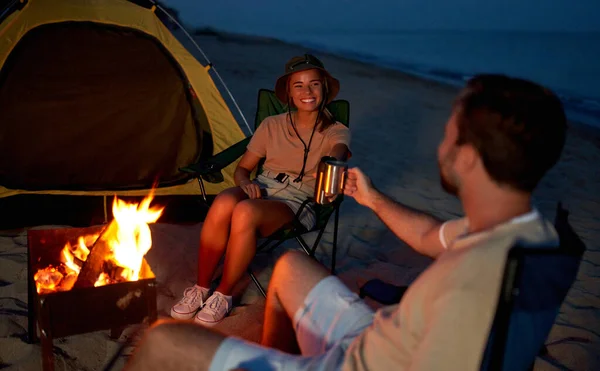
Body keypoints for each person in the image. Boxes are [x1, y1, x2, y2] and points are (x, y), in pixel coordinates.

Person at [125, 74, 567, 371]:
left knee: (164, 341)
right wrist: (372, 198)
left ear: (467, 158)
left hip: (358, 363)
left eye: (449, 136)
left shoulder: (472, 288)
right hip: (379, 333)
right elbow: (430, 235)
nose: (441, 147)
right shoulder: (524, 234)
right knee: (290, 268)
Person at [170, 54, 351, 326]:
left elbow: (338, 150)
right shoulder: (271, 125)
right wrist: (246, 183)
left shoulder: (336, 130)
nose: (307, 92)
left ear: (324, 88)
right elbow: (243, 170)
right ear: (288, 93)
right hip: (263, 185)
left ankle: (224, 294)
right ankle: (201, 288)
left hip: (297, 201)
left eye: (314, 84)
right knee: (223, 201)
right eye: (298, 85)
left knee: (244, 212)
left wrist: (333, 162)